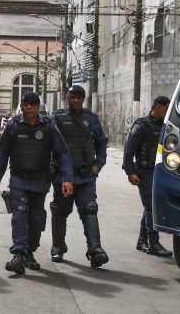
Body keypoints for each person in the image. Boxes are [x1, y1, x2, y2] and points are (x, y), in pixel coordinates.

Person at [0, 91, 73, 275]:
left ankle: (29, 251)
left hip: (40, 182)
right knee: (19, 215)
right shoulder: (13, 126)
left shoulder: (48, 126)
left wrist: (67, 178)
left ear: (37, 106)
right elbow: (2, 152)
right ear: (22, 104)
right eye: (26, 104)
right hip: (19, 180)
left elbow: (62, 152)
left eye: (32, 105)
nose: (29, 108)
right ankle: (18, 254)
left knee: (36, 219)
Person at [49, 85, 110, 268]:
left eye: (79, 97)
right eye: (72, 97)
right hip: (63, 176)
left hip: (85, 176)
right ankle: (58, 247)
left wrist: (98, 165)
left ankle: (95, 250)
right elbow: (47, 143)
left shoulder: (91, 119)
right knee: (60, 211)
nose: (75, 100)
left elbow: (101, 143)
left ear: (83, 99)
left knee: (90, 209)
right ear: (67, 97)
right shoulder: (58, 118)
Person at [123, 96, 173, 258]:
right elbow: (129, 151)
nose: (167, 112)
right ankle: (153, 243)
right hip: (144, 172)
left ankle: (142, 240)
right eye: (166, 109)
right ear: (157, 107)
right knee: (152, 207)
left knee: (150, 207)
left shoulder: (166, 126)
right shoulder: (142, 126)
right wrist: (130, 172)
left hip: (159, 172)